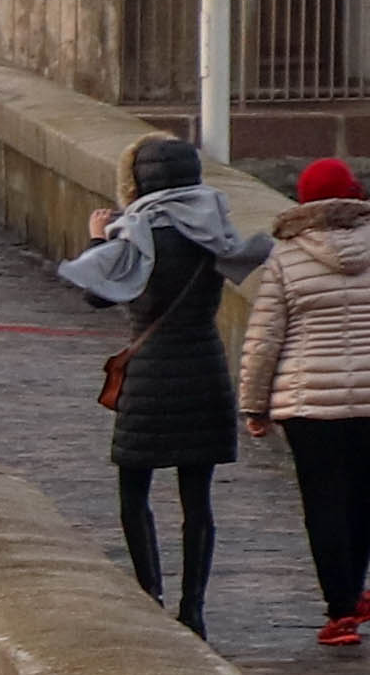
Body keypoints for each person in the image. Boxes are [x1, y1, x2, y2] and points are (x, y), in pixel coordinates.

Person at [233, 156, 370, 650]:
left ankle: (341, 609)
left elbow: (264, 339)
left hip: (309, 404)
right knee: (361, 497)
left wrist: (254, 405)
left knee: (323, 501)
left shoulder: (287, 258)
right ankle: (352, 594)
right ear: (356, 195)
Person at [51, 131, 266, 634]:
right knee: (198, 501)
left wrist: (99, 238)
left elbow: (95, 295)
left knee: (134, 487)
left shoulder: (135, 231)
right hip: (203, 368)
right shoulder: (214, 230)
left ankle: (149, 592)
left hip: (149, 376)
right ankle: (194, 608)